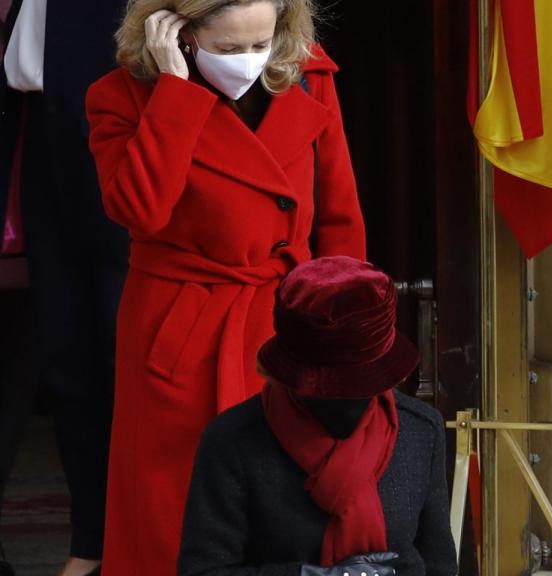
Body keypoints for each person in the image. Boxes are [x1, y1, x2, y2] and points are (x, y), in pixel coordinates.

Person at [85, 0, 366, 573]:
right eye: (229, 48)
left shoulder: (307, 78)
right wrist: (176, 93)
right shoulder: (119, 97)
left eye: (260, 43)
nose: (250, 61)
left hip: (287, 322)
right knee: (168, 515)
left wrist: (350, 337)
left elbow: (340, 218)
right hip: (179, 331)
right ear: (178, 34)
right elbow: (140, 210)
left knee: (286, 504)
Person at [178, 256, 457, 576]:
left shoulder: (421, 430)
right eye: (331, 392)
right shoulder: (233, 440)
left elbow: (439, 566)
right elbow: (202, 571)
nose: (345, 402)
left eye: (357, 387)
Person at [2, 0, 129, 573]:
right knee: (68, 357)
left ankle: (135, 544)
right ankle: (92, 542)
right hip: (39, 128)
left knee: (122, 352)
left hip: (119, 126)